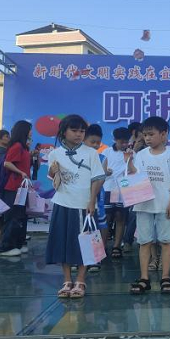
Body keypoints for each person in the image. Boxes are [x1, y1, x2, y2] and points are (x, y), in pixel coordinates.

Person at [46, 115, 106, 298]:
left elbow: (98, 178)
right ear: (64, 131)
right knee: (63, 242)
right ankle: (67, 280)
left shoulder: (91, 153)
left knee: (85, 244)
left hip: (83, 205)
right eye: (74, 130)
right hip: (62, 203)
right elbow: (54, 181)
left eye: (82, 131)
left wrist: (92, 201)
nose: (79, 134)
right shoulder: (54, 154)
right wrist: (52, 172)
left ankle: (80, 279)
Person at [128, 116, 170, 295]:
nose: (147, 138)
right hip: (143, 204)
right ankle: (144, 278)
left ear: (164, 134)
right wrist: (129, 160)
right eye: (145, 135)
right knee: (144, 242)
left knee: (166, 242)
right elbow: (135, 176)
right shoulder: (141, 154)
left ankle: (165, 277)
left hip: (164, 204)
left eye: (151, 134)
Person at [0, 120, 33, 257]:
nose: (31, 132)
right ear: (24, 130)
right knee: (12, 216)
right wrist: (21, 172)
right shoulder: (17, 146)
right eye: (29, 129)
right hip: (13, 187)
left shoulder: (24, 147)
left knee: (21, 216)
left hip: (22, 187)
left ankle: (19, 243)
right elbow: (7, 163)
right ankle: (6, 247)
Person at [102, 127, 132, 259]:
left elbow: (134, 170)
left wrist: (130, 161)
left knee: (120, 216)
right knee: (106, 218)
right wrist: (106, 172)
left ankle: (117, 246)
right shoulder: (107, 152)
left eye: (126, 142)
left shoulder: (131, 153)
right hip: (108, 188)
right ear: (115, 140)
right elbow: (100, 169)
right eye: (121, 142)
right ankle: (102, 246)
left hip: (123, 189)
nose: (124, 144)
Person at [84, 124, 109, 270]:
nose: (95, 145)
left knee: (98, 225)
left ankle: (96, 257)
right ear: (84, 140)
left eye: (98, 142)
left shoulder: (102, 158)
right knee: (82, 226)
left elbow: (101, 179)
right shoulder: (78, 157)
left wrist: (92, 198)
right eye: (92, 142)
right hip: (80, 197)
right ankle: (82, 257)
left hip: (97, 196)